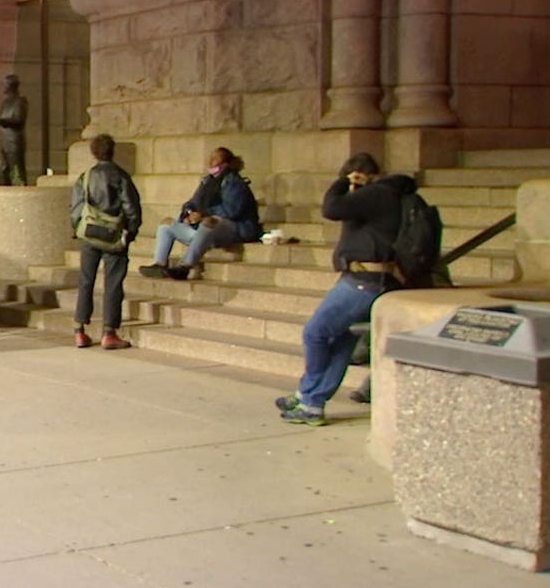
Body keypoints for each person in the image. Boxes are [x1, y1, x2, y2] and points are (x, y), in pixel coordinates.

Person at [276, 152, 412, 425]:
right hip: (365, 279)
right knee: (341, 341)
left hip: (365, 282)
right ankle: (310, 399)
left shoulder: (378, 194)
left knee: (315, 332)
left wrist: (341, 183)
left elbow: (331, 209)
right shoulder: (378, 197)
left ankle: (309, 397)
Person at [140, 147, 262, 280]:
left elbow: (231, 210)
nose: (210, 162)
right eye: (210, 158)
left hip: (233, 229)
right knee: (166, 224)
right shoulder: (206, 182)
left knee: (209, 221)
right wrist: (187, 214)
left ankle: (185, 266)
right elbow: (192, 202)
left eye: (215, 159)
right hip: (204, 231)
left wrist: (203, 214)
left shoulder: (235, 183)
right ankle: (160, 264)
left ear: (225, 163)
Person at [69, 134, 142, 350]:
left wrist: (77, 229)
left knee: (85, 281)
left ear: (93, 152)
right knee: (113, 284)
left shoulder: (86, 176)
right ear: (112, 151)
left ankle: (79, 329)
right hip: (113, 236)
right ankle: (109, 332)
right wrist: (131, 231)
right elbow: (131, 208)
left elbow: (76, 207)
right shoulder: (121, 176)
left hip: (90, 234)